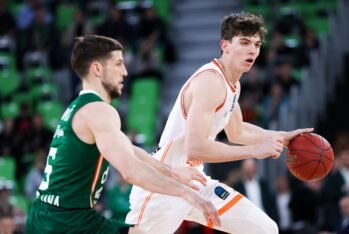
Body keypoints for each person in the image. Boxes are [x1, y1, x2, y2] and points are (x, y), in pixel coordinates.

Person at [126, 12, 312, 234]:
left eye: (257, 44)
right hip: (165, 184)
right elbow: (195, 148)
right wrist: (254, 151)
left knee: (264, 230)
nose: (252, 50)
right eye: (244, 43)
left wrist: (281, 136)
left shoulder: (232, 84)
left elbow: (237, 131)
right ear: (225, 45)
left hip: (195, 181)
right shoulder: (211, 81)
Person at [25, 35, 220, 234]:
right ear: (97, 69)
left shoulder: (79, 107)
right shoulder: (99, 110)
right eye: (118, 64)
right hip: (65, 221)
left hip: (51, 215)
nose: (125, 72)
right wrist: (187, 193)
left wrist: (172, 172)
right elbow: (131, 171)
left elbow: (127, 149)